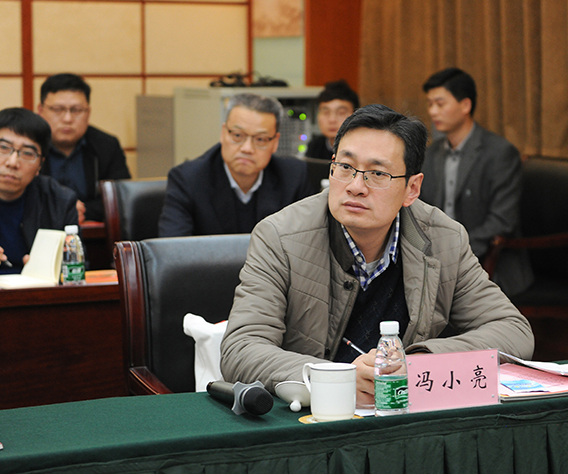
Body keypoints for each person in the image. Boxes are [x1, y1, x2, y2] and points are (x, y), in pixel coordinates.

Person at [220, 104, 534, 406]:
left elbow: (513, 331)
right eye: (346, 168)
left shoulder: (443, 239)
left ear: (412, 189)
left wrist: (417, 362)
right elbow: (241, 349)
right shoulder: (280, 237)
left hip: (403, 415)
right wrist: (337, 378)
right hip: (314, 418)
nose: (356, 186)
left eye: (378, 173)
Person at [419, 68, 533, 296]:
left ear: (465, 105)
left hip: (490, 262)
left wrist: (453, 253)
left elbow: (502, 221)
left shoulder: (499, 153)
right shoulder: (431, 154)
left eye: (440, 104)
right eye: (430, 104)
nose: (432, 111)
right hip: (437, 264)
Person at [158, 93, 315, 237]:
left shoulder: (294, 177)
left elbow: (309, 244)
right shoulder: (188, 179)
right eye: (238, 135)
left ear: (275, 142)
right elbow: (173, 251)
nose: (247, 148)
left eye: (260, 139)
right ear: (223, 133)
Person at [0, 108, 78, 280]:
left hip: (35, 294)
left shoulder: (60, 201)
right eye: (3, 147)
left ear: (40, 165)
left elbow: (77, 265)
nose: (12, 162)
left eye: (28, 153)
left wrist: (52, 270)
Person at [37, 73, 131, 223]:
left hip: (93, 231)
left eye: (76, 110)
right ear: (40, 110)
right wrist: (61, 210)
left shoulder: (106, 145)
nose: (67, 119)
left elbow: (121, 198)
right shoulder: (30, 147)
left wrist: (82, 211)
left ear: (88, 112)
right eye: (58, 109)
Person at [306, 79, 359, 160]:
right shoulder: (315, 146)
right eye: (326, 112)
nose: (332, 120)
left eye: (341, 113)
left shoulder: (364, 149)